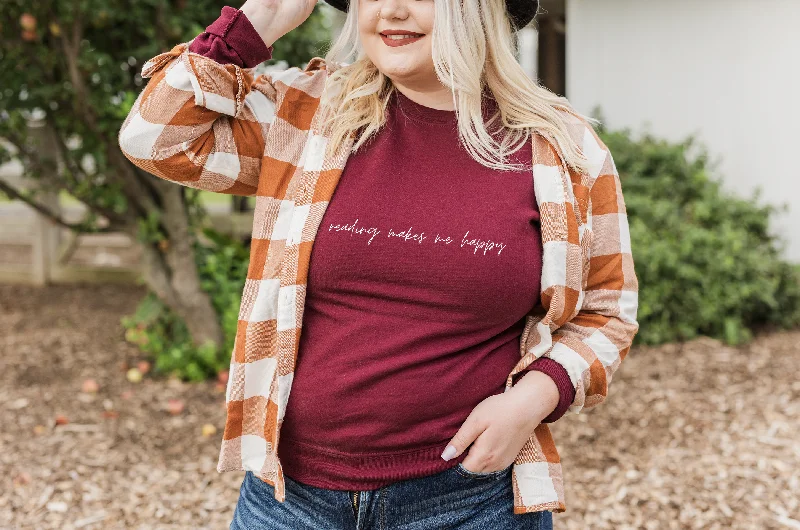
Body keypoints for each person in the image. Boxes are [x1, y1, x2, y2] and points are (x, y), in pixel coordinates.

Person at [118, 0, 639, 528]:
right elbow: (155, 139)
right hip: (289, 500)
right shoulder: (307, 117)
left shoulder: (561, 149)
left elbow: (607, 310)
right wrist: (258, 21)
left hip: (471, 500)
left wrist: (532, 399)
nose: (390, 10)